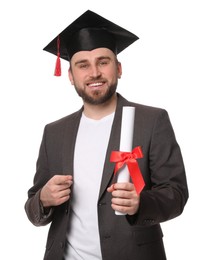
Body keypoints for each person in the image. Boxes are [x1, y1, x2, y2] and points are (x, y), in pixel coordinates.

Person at [25, 10, 189, 260]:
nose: (94, 73)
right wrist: (44, 199)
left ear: (118, 68)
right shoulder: (54, 133)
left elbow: (176, 194)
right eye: (83, 65)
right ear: (71, 76)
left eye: (103, 62)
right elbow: (33, 205)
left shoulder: (152, 121)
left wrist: (140, 204)